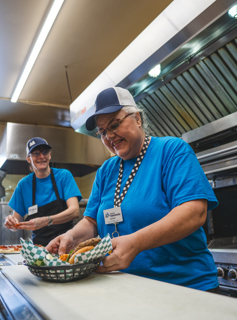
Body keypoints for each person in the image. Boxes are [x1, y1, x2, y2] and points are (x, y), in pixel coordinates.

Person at [46, 87, 220, 292]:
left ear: (137, 118)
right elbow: (91, 221)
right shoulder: (106, 171)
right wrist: (71, 236)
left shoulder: (172, 150)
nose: (109, 135)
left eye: (115, 124)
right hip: (126, 288)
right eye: (102, 132)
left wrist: (136, 242)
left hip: (184, 287)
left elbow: (194, 212)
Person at [4, 137, 82, 246]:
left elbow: (74, 211)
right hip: (40, 249)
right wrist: (11, 222)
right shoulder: (23, 185)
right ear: (28, 159)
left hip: (65, 244)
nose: (41, 156)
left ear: (49, 155)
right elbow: (15, 225)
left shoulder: (64, 176)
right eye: (36, 153)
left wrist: (46, 220)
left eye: (45, 152)